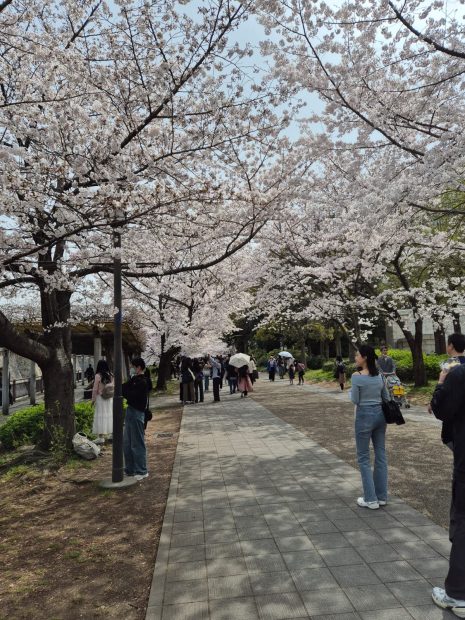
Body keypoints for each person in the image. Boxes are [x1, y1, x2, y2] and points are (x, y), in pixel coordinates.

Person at [429, 334, 465, 616]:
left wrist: (441, 380)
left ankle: (457, 595)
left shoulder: (458, 374)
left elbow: (440, 410)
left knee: (463, 524)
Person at [350, 344, 390, 510]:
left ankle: (370, 498)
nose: (355, 357)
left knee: (364, 458)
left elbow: (355, 400)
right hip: (380, 416)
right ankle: (381, 497)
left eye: (357, 355)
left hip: (364, 415)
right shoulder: (379, 376)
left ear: (365, 357)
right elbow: (386, 396)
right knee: (380, 455)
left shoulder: (356, 377)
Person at [430, 333, 465, 450]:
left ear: (451, 346)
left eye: (447, 343)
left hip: (453, 412)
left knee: (449, 438)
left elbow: (444, 388)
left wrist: (434, 402)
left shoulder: (448, 365)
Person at [122, 357, 149, 481]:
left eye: (133, 366)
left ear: (138, 367)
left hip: (137, 413)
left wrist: (127, 392)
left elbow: (130, 395)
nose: (132, 368)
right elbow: (124, 389)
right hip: (130, 411)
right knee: (127, 442)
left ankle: (141, 470)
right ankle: (130, 469)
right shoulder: (134, 380)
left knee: (137, 443)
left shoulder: (143, 381)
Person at [91, 360, 114, 444]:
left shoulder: (98, 376)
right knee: (109, 415)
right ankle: (111, 434)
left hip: (100, 398)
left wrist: (93, 400)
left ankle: (101, 437)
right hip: (109, 398)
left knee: (100, 416)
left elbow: (95, 389)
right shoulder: (111, 375)